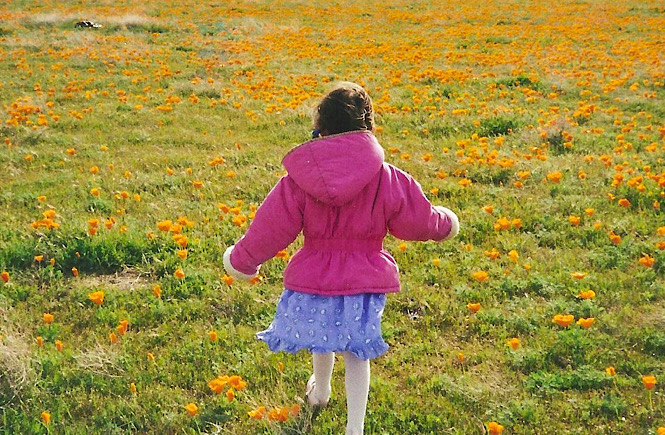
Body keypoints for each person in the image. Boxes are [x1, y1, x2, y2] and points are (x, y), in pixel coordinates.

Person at [223, 82, 459, 434]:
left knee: (323, 334)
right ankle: (354, 427)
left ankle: (320, 391)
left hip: (315, 274)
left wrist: (241, 260)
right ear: (369, 126)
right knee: (356, 352)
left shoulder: (299, 180)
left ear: (322, 127)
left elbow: (270, 228)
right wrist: (446, 222)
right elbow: (418, 219)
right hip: (363, 276)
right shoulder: (387, 178)